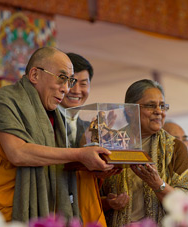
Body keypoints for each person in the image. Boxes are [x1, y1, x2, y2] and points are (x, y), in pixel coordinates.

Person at [0, 47, 114, 222]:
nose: (66, 89)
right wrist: (79, 154)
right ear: (34, 75)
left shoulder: (55, 117)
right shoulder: (2, 101)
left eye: (69, 81)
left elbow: (55, 161)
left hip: (39, 212)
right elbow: (18, 153)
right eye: (62, 78)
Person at [101, 79, 188, 226]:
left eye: (162, 106)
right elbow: (87, 195)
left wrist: (158, 184)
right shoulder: (109, 145)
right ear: (129, 110)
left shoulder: (174, 148)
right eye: (151, 106)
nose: (159, 111)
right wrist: (108, 203)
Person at [58, 53, 120, 227]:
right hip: (55, 205)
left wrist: (102, 171)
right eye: (71, 82)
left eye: (83, 84)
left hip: (85, 209)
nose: (77, 90)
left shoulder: (89, 126)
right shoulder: (45, 121)